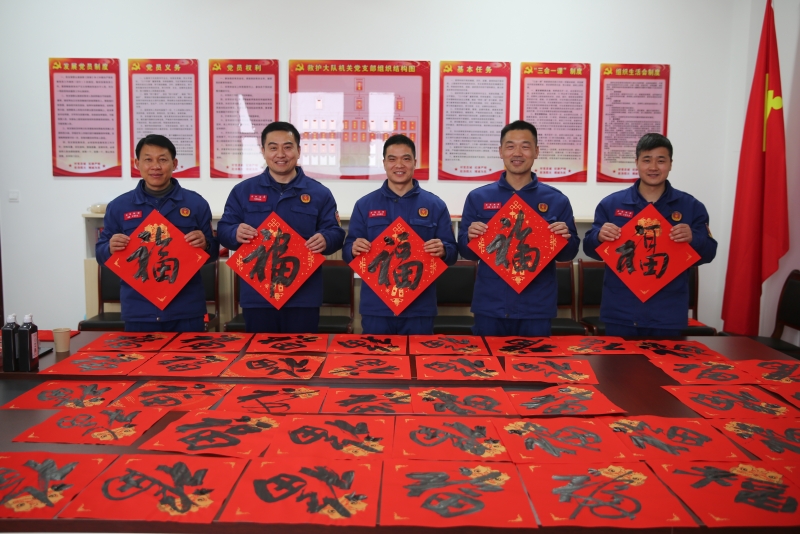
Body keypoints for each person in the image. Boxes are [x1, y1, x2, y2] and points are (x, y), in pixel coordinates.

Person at [583, 133, 718, 336]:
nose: (653, 167)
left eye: (661, 160)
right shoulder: (612, 204)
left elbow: (709, 253)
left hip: (668, 312)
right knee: (619, 358)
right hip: (621, 310)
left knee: (666, 358)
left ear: (670, 164)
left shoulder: (690, 206)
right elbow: (589, 249)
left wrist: (694, 238)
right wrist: (598, 237)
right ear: (637, 162)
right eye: (647, 160)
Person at [217, 121, 345, 333]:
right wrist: (234, 232)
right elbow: (223, 230)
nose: (281, 154)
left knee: (302, 351)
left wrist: (326, 238)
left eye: (287, 147)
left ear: (298, 151)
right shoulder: (242, 191)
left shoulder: (319, 193)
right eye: (273, 147)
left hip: (303, 296)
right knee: (258, 352)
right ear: (263, 151)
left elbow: (336, 232)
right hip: (257, 295)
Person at [457, 120, 580, 337]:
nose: (517, 153)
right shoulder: (478, 198)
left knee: (535, 359)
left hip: (536, 306)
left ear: (536, 152)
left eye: (525, 146)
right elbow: (466, 252)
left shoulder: (556, 200)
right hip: (490, 305)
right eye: (510, 146)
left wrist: (565, 238)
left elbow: (568, 254)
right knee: (488, 359)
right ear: (501, 151)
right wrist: (469, 237)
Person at [96, 134, 218, 332]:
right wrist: (109, 248)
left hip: (186, 308)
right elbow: (100, 255)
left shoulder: (195, 204)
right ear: (137, 163)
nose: (155, 166)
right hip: (139, 309)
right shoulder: (119, 206)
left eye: (162, 159)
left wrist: (206, 245)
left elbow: (212, 254)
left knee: (187, 353)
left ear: (174, 164)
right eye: (148, 159)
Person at [343, 134, 457, 334]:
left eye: (406, 159)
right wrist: (353, 249)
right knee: (376, 355)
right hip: (377, 307)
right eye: (392, 159)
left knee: (418, 355)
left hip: (419, 307)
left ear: (414, 163)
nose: (399, 165)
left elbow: (452, 252)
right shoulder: (365, 205)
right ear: (384, 163)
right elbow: (347, 251)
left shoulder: (435, 205)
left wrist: (444, 250)